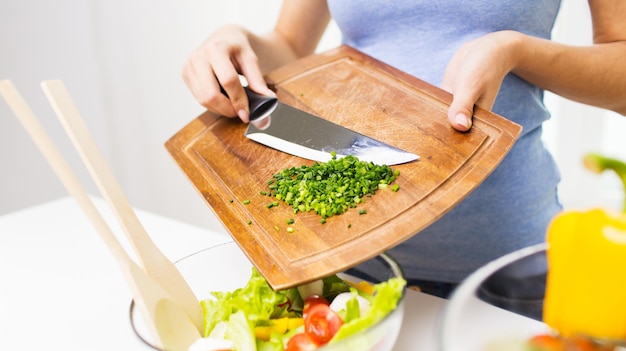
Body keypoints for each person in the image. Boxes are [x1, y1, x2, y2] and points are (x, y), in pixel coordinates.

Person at [182, 1, 626, 305]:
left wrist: (514, 49)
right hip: (350, 267)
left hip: (505, 272)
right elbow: (289, 46)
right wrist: (234, 42)